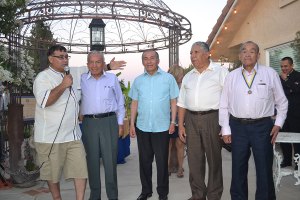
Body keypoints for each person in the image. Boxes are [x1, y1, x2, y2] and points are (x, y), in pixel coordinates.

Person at [219, 41, 288, 200]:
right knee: (238, 169)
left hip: (263, 127)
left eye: (252, 51)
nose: (247, 54)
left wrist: (278, 124)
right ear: (239, 55)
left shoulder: (269, 73)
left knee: (264, 169)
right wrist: (225, 129)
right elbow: (223, 105)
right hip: (238, 127)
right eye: (244, 51)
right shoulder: (232, 76)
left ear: (258, 55)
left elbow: (282, 102)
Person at [33, 45, 87, 200]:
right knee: (53, 174)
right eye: (60, 57)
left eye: (66, 56)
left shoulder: (72, 73)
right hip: (50, 138)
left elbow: (91, 67)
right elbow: (45, 102)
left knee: (80, 170)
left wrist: (109, 66)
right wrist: (63, 85)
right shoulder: (42, 78)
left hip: (73, 135)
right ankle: (57, 198)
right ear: (51, 59)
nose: (65, 60)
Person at [177, 41, 228, 200]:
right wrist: (181, 126)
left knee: (214, 160)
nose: (193, 56)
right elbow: (182, 103)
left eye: (196, 52)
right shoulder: (188, 76)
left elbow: (229, 100)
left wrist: (226, 125)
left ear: (207, 54)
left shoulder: (221, 72)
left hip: (213, 119)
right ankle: (198, 195)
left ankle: (214, 195)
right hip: (191, 120)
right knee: (194, 161)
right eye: (191, 53)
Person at [129, 49, 179, 200]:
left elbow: (173, 101)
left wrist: (173, 122)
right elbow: (134, 103)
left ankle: (163, 193)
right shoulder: (138, 80)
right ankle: (146, 191)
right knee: (144, 162)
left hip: (162, 127)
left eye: (152, 58)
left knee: (162, 162)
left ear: (158, 61)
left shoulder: (168, 78)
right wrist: (132, 124)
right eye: (145, 58)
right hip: (143, 127)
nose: (149, 61)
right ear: (142, 61)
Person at [80, 51, 125, 200]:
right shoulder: (81, 78)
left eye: (98, 62)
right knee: (92, 161)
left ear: (103, 63)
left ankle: (113, 196)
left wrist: (120, 124)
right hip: (89, 124)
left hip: (109, 122)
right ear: (87, 64)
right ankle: (95, 196)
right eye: (91, 62)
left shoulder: (112, 79)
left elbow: (120, 102)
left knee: (110, 161)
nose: (94, 65)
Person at [279, 56, 300, 170]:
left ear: (292, 65)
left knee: (297, 140)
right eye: (282, 66)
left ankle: (298, 163)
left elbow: (295, 90)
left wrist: (287, 81)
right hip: (283, 114)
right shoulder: (279, 78)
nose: (283, 68)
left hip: (296, 115)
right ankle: (287, 160)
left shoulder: (298, 76)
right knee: (283, 139)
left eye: (286, 66)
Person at [167, 65, 185, 178]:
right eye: (181, 74)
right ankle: (168, 167)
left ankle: (180, 168)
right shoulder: (166, 86)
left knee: (180, 144)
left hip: (181, 119)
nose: (183, 76)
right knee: (168, 145)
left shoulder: (184, 87)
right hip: (167, 119)